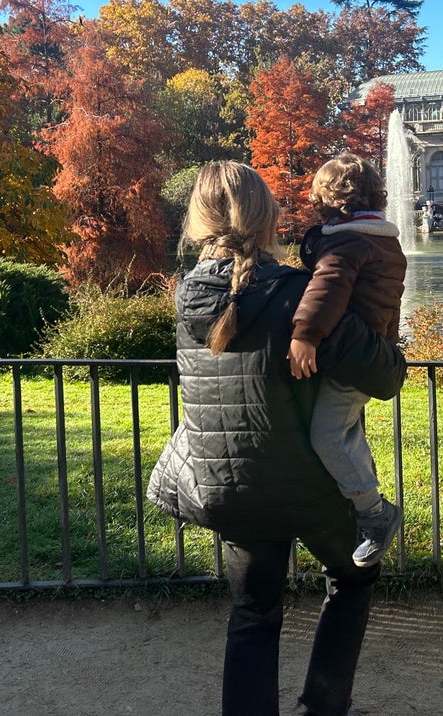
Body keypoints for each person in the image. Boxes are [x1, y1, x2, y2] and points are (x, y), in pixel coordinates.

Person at [148, 162, 407, 716]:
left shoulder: (186, 295)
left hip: (229, 485)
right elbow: (384, 376)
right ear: (268, 218)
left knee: (253, 612)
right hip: (306, 483)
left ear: (198, 221)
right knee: (355, 577)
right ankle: (323, 708)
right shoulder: (295, 294)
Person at [287, 152, 408, 568]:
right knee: (345, 431)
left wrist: (305, 335)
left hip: (349, 361)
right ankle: (349, 503)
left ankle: (374, 512)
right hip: (366, 357)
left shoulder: (348, 244)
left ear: (330, 201)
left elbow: (329, 289)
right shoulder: (381, 240)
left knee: (328, 435)